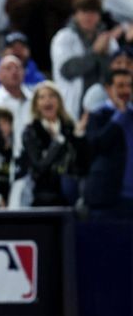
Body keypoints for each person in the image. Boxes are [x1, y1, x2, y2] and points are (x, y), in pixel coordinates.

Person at [20, 81, 88, 206]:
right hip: (43, 195)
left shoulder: (69, 127)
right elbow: (40, 165)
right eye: (42, 97)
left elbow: (82, 163)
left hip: (70, 193)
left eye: (52, 96)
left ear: (59, 101)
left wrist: (79, 137)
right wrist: (57, 141)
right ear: (36, 105)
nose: (48, 100)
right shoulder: (31, 131)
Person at [85, 69, 133, 216]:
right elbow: (96, 146)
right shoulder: (98, 115)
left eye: (129, 85)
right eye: (120, 85)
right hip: (105, 196)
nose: (125, 90)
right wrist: (119, 115)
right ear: (108, 88)